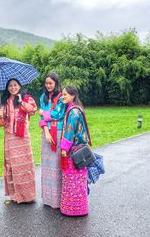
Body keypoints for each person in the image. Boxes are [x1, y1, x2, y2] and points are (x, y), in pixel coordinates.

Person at [0, 78, 37, 204]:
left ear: (19, 86)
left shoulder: (26, 98)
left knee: (25, 166)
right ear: (7, 88)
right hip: (10, 137)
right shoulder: (4, 103)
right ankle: (15, 195)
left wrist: (21, 102)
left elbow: (33, 110)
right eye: (10, 86)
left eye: (15, 85)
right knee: (13, 166)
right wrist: (0, 116)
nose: (13, 87)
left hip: (23, 136)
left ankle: (28, 196)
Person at [60, 85, 90, 216]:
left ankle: (71, 210)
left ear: (72, 96)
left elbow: (69, 131)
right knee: (79, 179)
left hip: (74, 151)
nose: (63, 96)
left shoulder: (73, 112)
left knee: (71, 179)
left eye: (65, 94)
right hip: (81, 150)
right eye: (62, 94)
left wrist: (64, 149)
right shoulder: (75, 109)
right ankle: (80, 208)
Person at [39, 73, 67, 209]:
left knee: (56, 165)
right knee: (46, 165)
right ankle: (48, 199)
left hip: (58, 132)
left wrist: (43, 113)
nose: (48, 85)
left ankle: (58, 200)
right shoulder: (43, 97)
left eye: (51, 83)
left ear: (56, 83)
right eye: (46, 83)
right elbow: (43, 120)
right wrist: (46, 131)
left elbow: (59, 114)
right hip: (46, 133)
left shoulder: (61, 97)